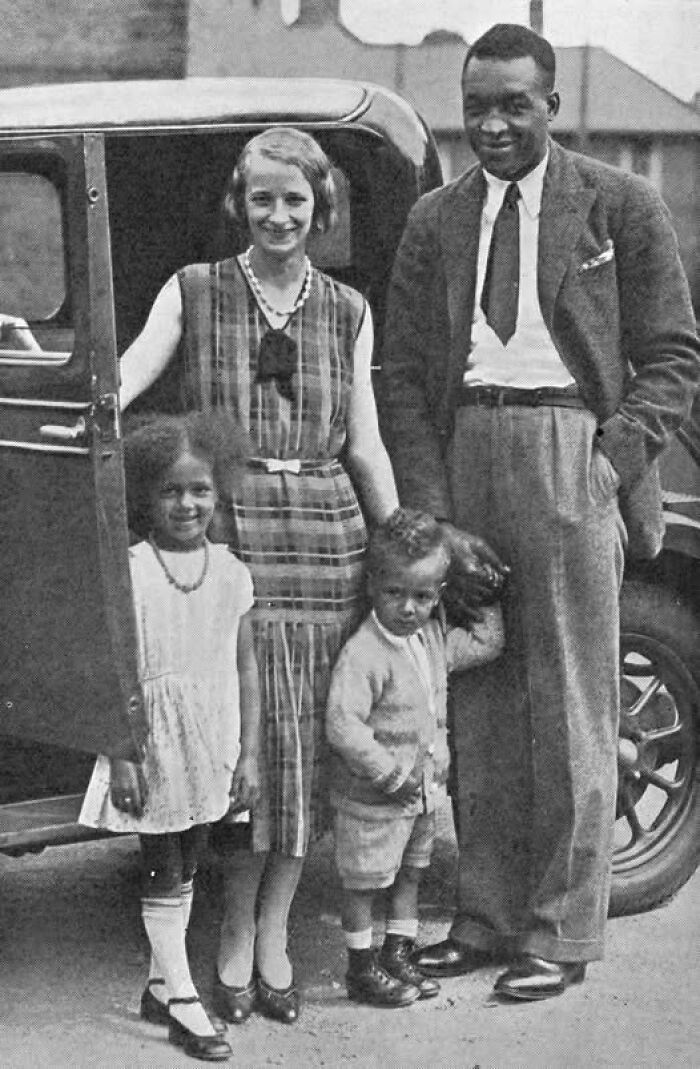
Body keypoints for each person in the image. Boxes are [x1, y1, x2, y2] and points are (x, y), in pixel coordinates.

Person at [380, 23, 700, 1002]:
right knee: (476, 700)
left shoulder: (619, 203)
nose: (493, 123)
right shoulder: (436, 219)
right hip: (466, 448)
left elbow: (673, 357)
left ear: (550, 106)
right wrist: (433, 509)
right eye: (478, 104)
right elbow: (399, 374)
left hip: (572, 454)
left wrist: (606, 469)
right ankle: (482, 915)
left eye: (515, 103)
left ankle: (559, 932)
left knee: (570, 706)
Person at [116, 127, 401, 1024]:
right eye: (264, 199)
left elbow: (364, 441)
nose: (281, 216)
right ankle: (232, 930)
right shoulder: (195, 291)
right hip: (233, 542)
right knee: (248, 746)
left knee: (309, 747)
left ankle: (275, 930)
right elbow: (118, 385)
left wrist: (397, 539)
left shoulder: (350, 309)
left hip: (327, 539)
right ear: (239, 205)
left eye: (298, 202)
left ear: (322, 211)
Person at [80, 411, 260, 1062]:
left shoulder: (232, 572)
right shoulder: (130, 571)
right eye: (171, 491)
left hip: (210, 739)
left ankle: (160, 981)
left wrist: (251, 754)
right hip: (150, 740)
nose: (187, 503)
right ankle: (184, 997)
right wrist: (119, 749)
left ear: (221, 491)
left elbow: (245, 668)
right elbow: (110, 667)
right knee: (163, 860)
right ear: (146, 497)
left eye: (201, 490)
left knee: (190, 856)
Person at [326, 508, 504, 1008]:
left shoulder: (427, 639)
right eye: (395, 593)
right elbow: (343, 725)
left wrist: (490, 594)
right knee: (364, 883)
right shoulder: (365, 653)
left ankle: (396, 955)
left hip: (421, 795)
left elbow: (490, 642)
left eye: (423, 596)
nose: (408, 607)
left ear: (438, 594)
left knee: (410, 874)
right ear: (372, 588)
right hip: (374, 799)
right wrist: (387, 772)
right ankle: (361, 969)